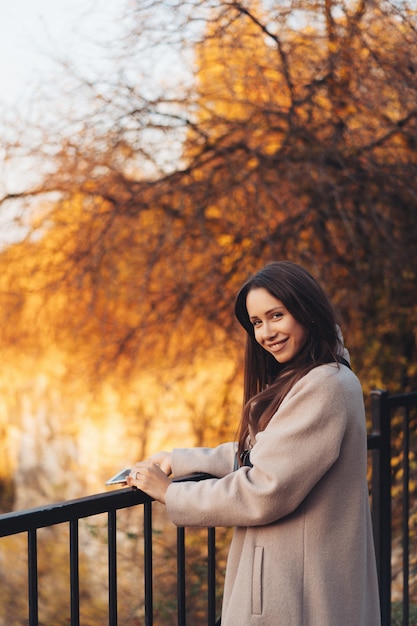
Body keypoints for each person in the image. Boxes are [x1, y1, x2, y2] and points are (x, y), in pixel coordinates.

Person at [127, 260, 381, 625]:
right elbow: (267, 453)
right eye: (257, 323)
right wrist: (179, 460)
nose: (265, 333)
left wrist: (171, 493)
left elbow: (265, 488)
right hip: (298, 579)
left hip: (297, 593)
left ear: (306, 311)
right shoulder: (315, 377)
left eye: (276, 315)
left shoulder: (325, 385)